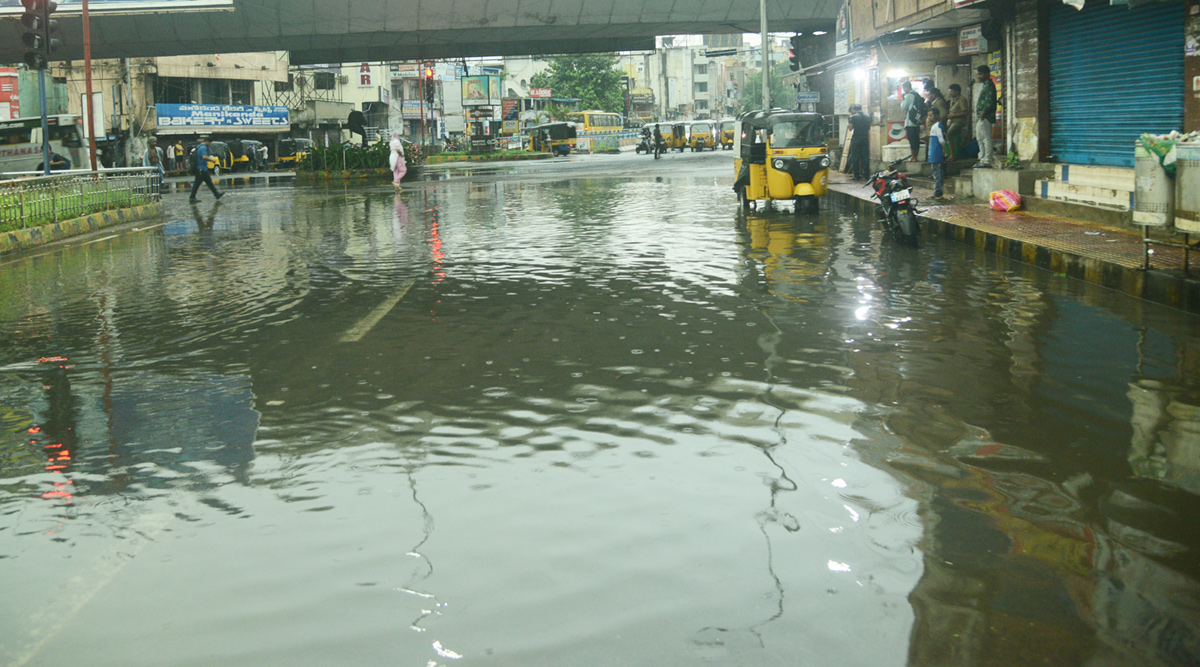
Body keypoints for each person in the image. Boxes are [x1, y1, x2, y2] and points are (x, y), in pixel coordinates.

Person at [974, 65, 998, 168]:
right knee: (979, 138)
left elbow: (989, 101)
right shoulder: (986, 85)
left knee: (986, 138)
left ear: (987, 74)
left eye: (980, 74)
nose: (979, 76)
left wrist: (983, 113)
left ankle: (987, 160)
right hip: (981, 116)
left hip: (985, 116)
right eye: (978, 74)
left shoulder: (990, 86)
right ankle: (982, 159)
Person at [189, 137, 224, 201]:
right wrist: (212, 160)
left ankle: (216, 194)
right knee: (197, 183)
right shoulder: (203, 147)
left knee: (208, 182)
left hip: (202, 168)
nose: (209, 144)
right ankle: (192, 197)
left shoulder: (199, 147)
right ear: (207, 141)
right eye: (209, 143)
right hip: (201, 169)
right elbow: (204, 157)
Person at [900, 81, 925, 161]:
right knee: (916, 140)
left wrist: (902, 98)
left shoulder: (910, 96)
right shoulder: (917, 94)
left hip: (910, 122)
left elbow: (903, 107)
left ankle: (913, 157)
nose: (904, 90)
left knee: (912, 140)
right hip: (917, 121)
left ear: (906, 87)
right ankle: (915, 156)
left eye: (904, 88)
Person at [847, 104, 872, 180]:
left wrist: (849, 121)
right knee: (865, 157)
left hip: (856, 138)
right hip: (865, 138)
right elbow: (869, 128)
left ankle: (856, 175)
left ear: (854, 110)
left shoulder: (854, 117)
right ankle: (866, 175)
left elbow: (850, 128)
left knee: (855, 157)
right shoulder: (868, 116)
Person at [946, 83, 970, 161]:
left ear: (957, 91)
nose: (950, 93)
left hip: (959, 121)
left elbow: (965, 113)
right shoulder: (953, 100)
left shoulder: (962, 99)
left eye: (951, 91)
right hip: (952, 121)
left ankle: (952, 155)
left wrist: (954, 115)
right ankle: (952, 154)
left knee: (949, 134)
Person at [927, 108, 947, 200]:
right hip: (934, 154)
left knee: (937, 174)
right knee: (936, 173)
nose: (929, 117)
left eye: (931, 115)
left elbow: (941, 140)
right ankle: (937, 192)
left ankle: (938, 193)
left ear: (936, 115)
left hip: (936, 153)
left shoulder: (937, 125)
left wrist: (944, 150)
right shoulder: (935, 126)